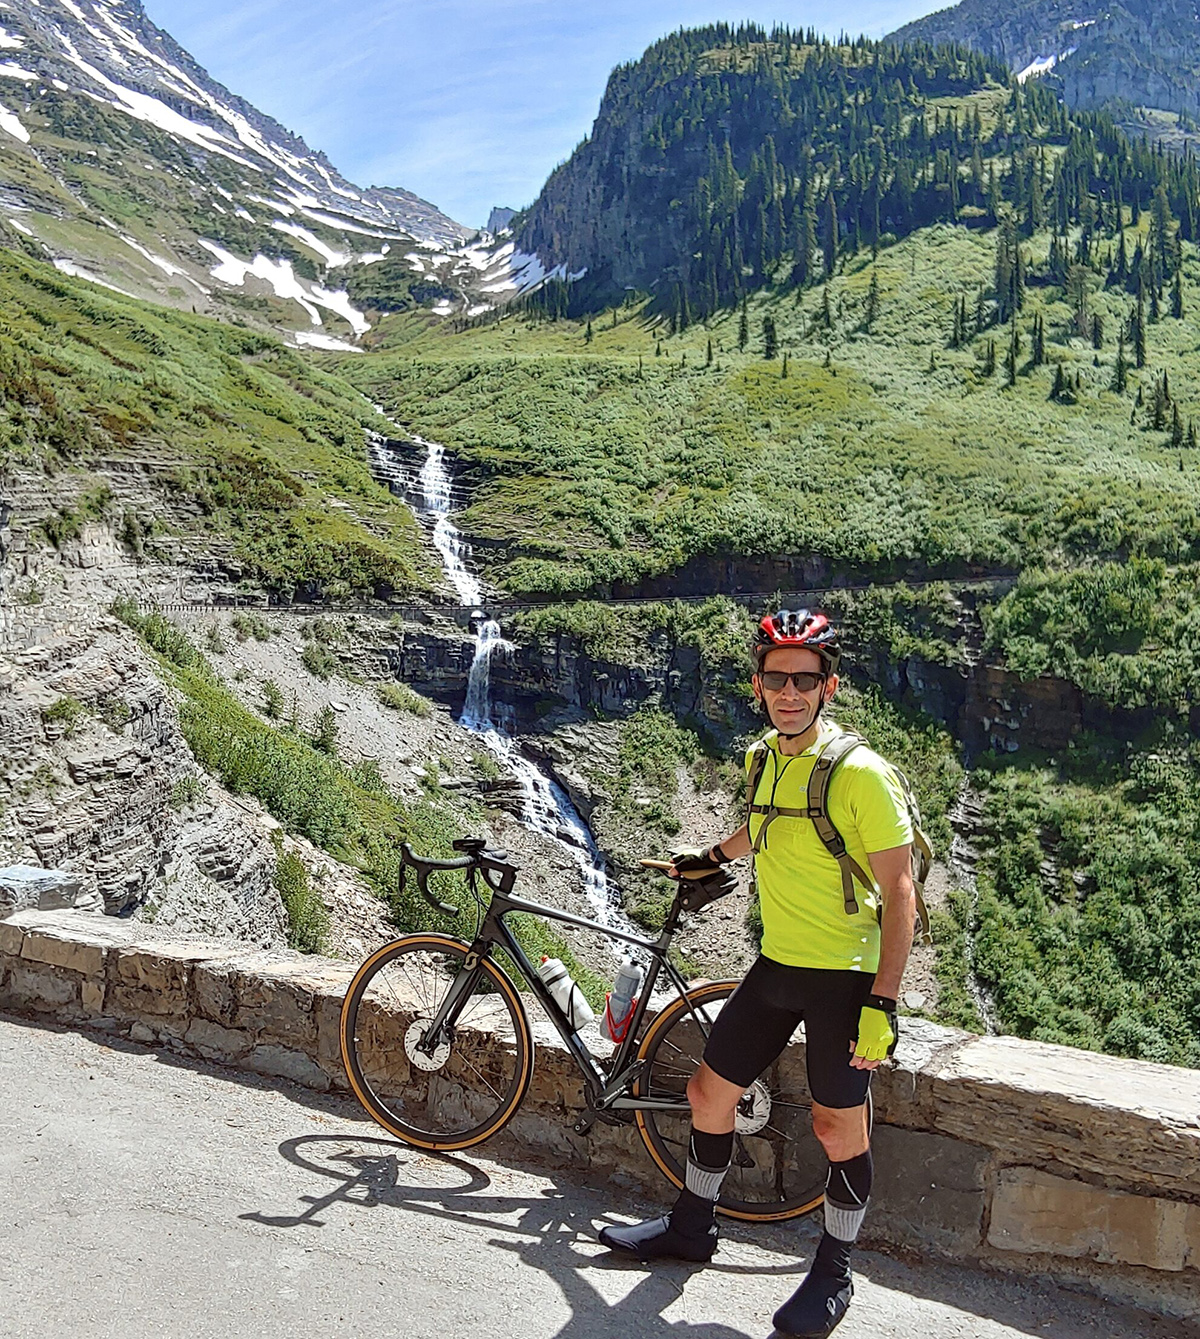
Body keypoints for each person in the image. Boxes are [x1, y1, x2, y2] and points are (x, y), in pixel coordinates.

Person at [599, 609, 917, 1339]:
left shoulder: (861, 773)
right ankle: (691, 1227)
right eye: (778, 677)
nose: (791, 690)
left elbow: (899, 893)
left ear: (828, 685)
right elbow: (767, 823)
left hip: (846, 973)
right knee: (710, 1091)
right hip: (779, 960)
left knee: (839, 1128)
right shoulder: (763, 757)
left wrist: (884, 1004)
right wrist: (713, 855)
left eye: (805, 678)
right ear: (759, 685)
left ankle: (833, 1273)